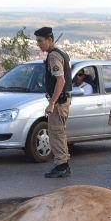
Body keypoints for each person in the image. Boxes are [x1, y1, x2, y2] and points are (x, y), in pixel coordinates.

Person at [34, 26, 71, 178]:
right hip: (62, 101)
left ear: (49, 40)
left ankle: (62, 165)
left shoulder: (54, 56)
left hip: (59, 102)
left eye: (40, 41)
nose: (38, 44)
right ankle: (62, 164)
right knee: (59, 133)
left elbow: (60, 81)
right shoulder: (59, 53)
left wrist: (52, 103)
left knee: (56, 133)